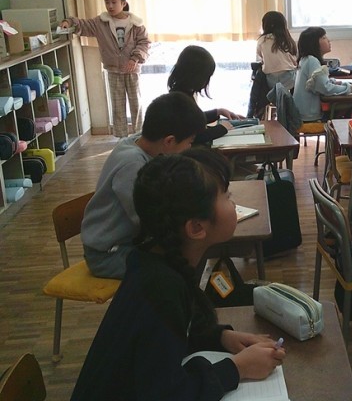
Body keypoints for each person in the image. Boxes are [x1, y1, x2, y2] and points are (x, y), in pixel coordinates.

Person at [71, 149, 286, 401]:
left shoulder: (154, 262)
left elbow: (169, 336)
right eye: (227, 196)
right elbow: (168, 394)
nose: (234, 203)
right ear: (196, 228)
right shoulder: (162, 289)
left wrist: (220, 337)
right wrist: (238, 368)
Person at [81, 91, 206, 279]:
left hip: (128, 243)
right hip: (108, 255)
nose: (189, 148)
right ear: (169, 141)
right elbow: (147, 219)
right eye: (189, 142)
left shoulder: (141, 142)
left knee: (189, 249)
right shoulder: (132, 165)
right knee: (183, 260)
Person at [60, 0, 150, 138]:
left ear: (123, 3)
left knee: (136, 104)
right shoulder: (101, 22)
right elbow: (82, 24)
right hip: (113, 69)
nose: (110, 6)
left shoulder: (136, 24)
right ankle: (121, 137)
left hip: (132, 69)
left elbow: (144, 43)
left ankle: (140, 135)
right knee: (118, 105)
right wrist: (68, 22)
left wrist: (134, 58)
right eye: (107, 2)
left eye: (114, 2)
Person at [167, 45, 243, 145]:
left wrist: (218, 112)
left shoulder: (181, 93)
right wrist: (222, 128)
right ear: (196, 76)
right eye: (206, 77)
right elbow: (194, 137)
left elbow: (193, 119)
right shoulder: (179, 100)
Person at [293, 27, 352, 122]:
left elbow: (320, 82)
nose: (329, 40)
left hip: (303, 113)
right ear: (314, 43)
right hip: (309, 116)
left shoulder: (305, 59)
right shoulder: (312, 61)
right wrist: (350, 88)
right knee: (348, 107)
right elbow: (325, 88)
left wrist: (336, 82)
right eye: (324, 38)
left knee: (344, 108)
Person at [256, 11, 298, 90]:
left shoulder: (262, 40)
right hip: (290, 78)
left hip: (271, 79)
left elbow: (260, 54)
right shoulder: (287, 39)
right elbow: (295, 56)